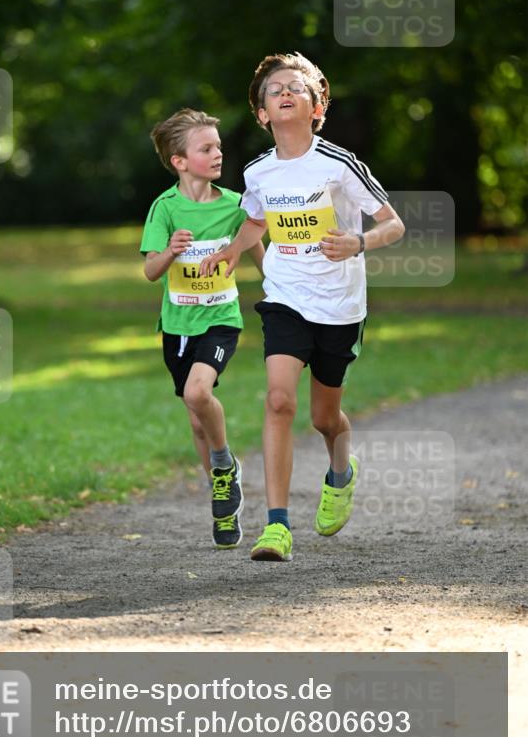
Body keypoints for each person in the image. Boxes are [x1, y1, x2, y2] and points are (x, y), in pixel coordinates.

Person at [200, 53, 405, 562]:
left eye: (297, 88)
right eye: (275, 90)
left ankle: (341, 472)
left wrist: (358, 244)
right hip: (285, 297)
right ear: (262, 113)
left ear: (318, 107)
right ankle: (276, 526)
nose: (285, 93)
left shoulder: (339, 164)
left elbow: (394, 224)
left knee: (323, 418)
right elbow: (254, 221)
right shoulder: (259, 171)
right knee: (278, 401)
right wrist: (231, 250)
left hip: (339, 305)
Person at [141, 108, 265, 549]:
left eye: (218, 146)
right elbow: (151, 271)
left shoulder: (234, 205)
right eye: (206, 148)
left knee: (198, 393)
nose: (218, 154)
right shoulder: (165, 209)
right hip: (177, 326)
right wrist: (171, 252)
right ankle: (224, 500)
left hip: (221, 320)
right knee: (196, 420)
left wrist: (281, 292)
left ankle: (223, 464)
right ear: (179, 160)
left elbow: (259, 246)